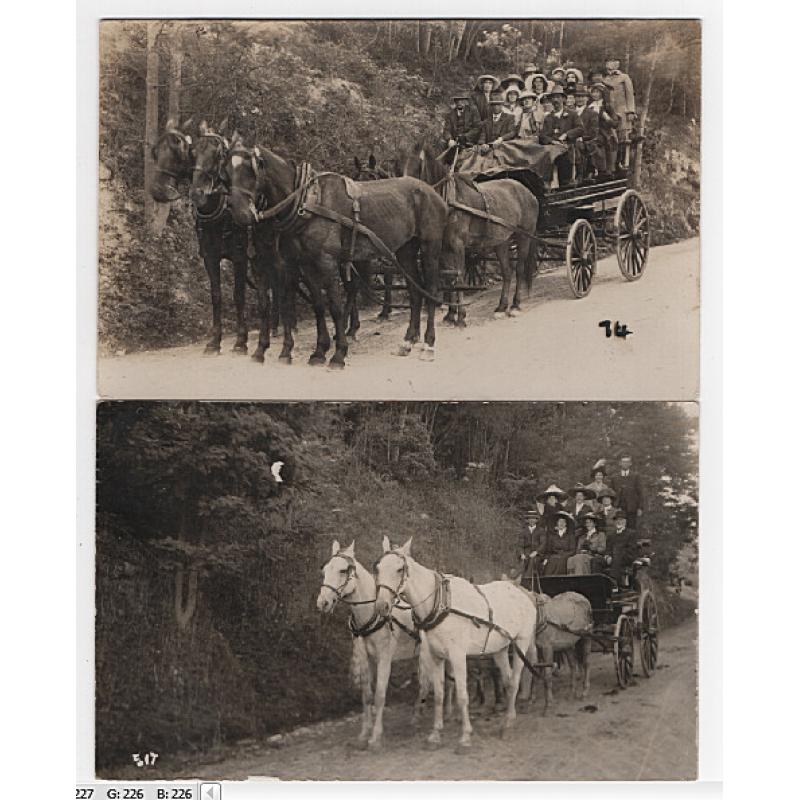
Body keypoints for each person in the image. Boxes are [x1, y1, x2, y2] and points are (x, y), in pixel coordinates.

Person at [539, 87, 583, 187]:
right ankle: (548, 188)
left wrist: (567, 134)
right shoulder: (548, 117)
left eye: (558, 97)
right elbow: (543, 136)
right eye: (553, 98)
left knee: (566, 166)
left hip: (568, 149)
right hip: (552, 150)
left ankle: (566, 187)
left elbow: (580, 129)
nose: (556, 100)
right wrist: (553, 141)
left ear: (563, 99)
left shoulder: (572, 114)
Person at [602, 55, 636, 165]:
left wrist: (631, 111)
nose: (609, 64)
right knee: (612, 136)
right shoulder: (605, 79)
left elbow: (630, 94)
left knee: (623, 136)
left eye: (611, 61)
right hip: (610, 112)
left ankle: (623, 162)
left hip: (622, 111)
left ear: (617, 63)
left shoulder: (624, 77)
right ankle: (612, 163)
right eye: (607, 62)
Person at [573, 84, 606, 181]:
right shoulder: (570, 112)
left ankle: (581, 174)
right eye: (578, 97)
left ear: (587, 98)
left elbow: (593, 132)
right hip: (571, 140)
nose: (580, 99)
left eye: (582, 97)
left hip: (588, 141)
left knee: (578, 146)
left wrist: (582, 138)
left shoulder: (592, 114)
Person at [589, 82, 619, 179]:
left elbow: (615, 123)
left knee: (605, 142)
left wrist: (606, 117)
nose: (595, 94)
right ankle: (595, 169)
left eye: (597, 92)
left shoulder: (607, 106)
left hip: (605, 131)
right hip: (592, 131)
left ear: (602, 93)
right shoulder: (590, 106)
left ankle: (607, 170)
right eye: (593, 92)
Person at [604, 510, 639, 588]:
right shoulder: (611, 535)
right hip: (613, 557)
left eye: (621, 520)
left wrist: (616, 554)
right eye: (617, 520)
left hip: (627, 557)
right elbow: (608, 548)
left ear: (625, 522)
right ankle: (597, 583)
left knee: (617, 555)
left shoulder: (631, 534)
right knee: (596, 560)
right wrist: (607, 556)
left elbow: (631, 549)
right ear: (614, 522)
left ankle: (614, 583)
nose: (619, 522)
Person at [537, 511, 578, 576]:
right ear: (557, 523)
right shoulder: (552, 535)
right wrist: (546, 558)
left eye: (563, 522)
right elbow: (548, 550)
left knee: (560, 561)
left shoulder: (570, 535)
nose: (561, 523)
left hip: (565, 556)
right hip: (553, 556)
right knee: (550, 562)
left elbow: (573, 550)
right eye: (560, 522)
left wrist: (564, 555)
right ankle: (548, 580)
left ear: (566, 524)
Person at [610, 455, 645, 530]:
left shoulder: (635, 476)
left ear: (630, 463)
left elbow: (640, 493)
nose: (625, 464)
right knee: (618, 527)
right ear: (620, 463)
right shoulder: (614, 477)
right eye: (623, 462)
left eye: (627, 462)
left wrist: (640, 507)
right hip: (618, 507)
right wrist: (613, 506)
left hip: (632, 507)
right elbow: (611, 493)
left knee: (631, 527)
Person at [520, 507, 546, 589]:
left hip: (537, 554)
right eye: (530, 518)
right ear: (527, 520)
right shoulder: (523, 531)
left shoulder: (541, 531)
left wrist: (536, 552)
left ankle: (526, 583)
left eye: (533, 518)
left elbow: (543, 544)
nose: (531, 520)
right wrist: (521, 553)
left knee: (532, 561)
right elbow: (520, 544)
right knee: (522, 561)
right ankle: (514, 580)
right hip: (526, 552)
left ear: (536, 520)